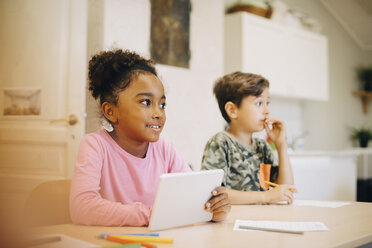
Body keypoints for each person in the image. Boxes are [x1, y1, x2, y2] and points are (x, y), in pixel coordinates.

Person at [70, 49, 230, 226]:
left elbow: (191, 199)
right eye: (146, 102)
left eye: (162, 105)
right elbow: (82, 208)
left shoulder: (164, 149)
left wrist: (214, 209)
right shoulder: (95, 145)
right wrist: (151, 215)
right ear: (111, 111)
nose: (158, 113)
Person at [201, 72, 296, 205]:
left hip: (260, 219)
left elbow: (286, 192)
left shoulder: (263, 147)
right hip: (232, 223)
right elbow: (214, 193)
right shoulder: (221, 143)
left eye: (267, 103)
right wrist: (265, 197)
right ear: (232, 110)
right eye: (259, 103)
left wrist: (281, 145)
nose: (267, 110)